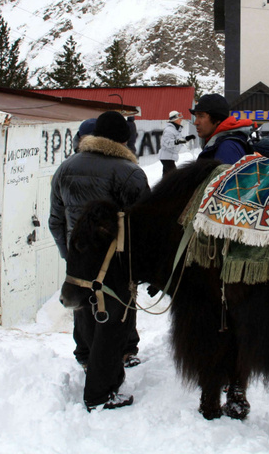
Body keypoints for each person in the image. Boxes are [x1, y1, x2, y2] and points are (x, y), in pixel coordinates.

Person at [49, 111, 150, 412]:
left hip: (78, 261)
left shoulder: (66, 167)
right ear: (124, 140)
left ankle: (90, 363)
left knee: (86, 312)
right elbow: (142, 226)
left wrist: (70, 255)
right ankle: (100, 392)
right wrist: (139, 266)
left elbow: (55, 220)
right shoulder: (130, 173)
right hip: (114, 263)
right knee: (113, 324)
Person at [191, 94, 254, 164]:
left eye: (201, 116)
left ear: (217, 119)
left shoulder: (227, 148)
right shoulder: (218, 143)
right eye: (196, 116)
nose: (195, 122)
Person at [159, 110, 195, 175]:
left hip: (168, 157)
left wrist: (187, 138)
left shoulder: (175, 130)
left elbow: (179, 140)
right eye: (179, 119)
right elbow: (168, 143)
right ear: (174, 120)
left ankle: (166, 185)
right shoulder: (169, 130)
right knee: (174, 175)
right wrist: (177, 141)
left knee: (167, 176)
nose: (181, 120)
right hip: (167, 157)